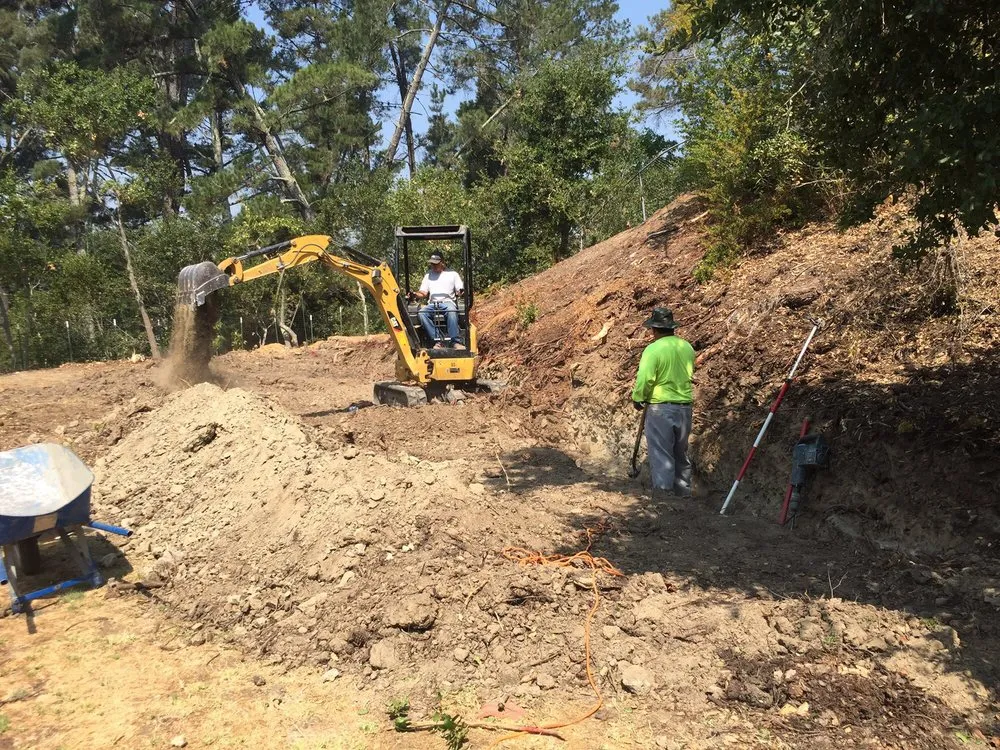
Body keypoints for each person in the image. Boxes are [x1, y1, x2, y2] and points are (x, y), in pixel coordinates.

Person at [631, 307, 696, 496]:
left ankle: (664, 495)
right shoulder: (687, 347)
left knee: (661, 453)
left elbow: (645, 378)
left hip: (661, 407)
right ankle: (683, 492)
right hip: (684, 406)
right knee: (680, 451)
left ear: (654, 329)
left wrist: (638, 398)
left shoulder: (653, 349)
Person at [411, 251, 466, 349]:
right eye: (432, 263)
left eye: (436, 263)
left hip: (448, 303)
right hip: (432, 304)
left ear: (442, 262)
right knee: (422, 313)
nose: (434, 265)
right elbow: (423, 293)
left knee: (452, 311)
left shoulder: (452, 274)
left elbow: (459, 290)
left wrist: (461, 292)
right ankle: (437, 341)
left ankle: (455, 342)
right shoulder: (428, 275)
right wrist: (415, 294)